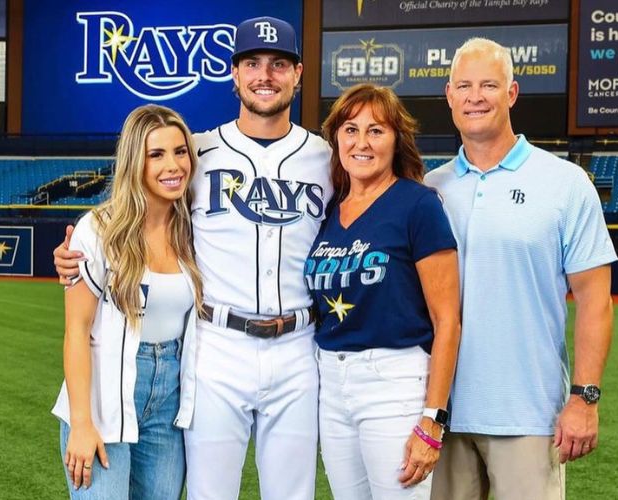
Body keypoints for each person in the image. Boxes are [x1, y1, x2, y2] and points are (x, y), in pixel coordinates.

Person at [53, 16, 333, 500]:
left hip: (297, 347)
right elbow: (135, 200)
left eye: (278, 63)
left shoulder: (327, 159)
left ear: (299, 72)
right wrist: (77, 250)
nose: (265, 74)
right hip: (218, 347)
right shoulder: (199, 151)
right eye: (252, 63)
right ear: (234, 74)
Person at [424, 38, 617, 499]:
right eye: (464, 86)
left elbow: (596, 300)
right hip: (440, 412)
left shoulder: (565, 183)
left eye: (489, 84)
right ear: (449, 95)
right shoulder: (431, 188)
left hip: (529, 415)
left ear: (511, 93)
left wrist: (585, 398)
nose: (475, 97)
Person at [305, 83, 461, 499]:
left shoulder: (419, 205)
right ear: (336, 138)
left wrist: (433, 418)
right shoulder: (327, 211)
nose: (361, 142)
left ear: (397, 139)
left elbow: (448, 320)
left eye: (376, 130)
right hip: (331, 383)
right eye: (350, 129)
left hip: (394, 382)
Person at [51, 104, 203, 499]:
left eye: (180, 151)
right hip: (103, 395)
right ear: (135, 161)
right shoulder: (99, 229)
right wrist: (82, 423)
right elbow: (77, 331)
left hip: (170, 398)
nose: (173, 165)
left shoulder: (196, 227)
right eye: (156, 154)